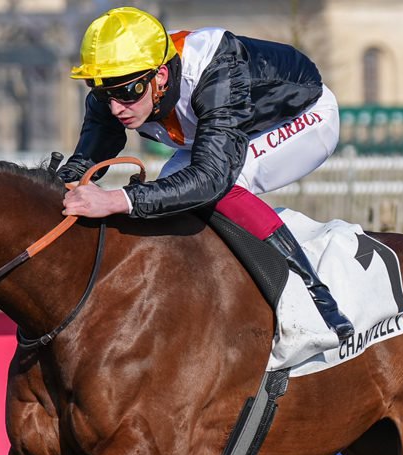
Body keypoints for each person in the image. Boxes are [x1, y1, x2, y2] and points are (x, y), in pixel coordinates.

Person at [58, 6, 354, 342]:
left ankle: (317, 301)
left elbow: (212, 178)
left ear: (161, 77)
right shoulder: (121, 79)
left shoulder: (215, 69)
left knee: (216, 190)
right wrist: (62, 184)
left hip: (304, 117)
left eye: (127, 93)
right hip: (231, 132)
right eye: (103, 94)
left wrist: (117, 198)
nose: (115, 107)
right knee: (171, 190)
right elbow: (91, 149)